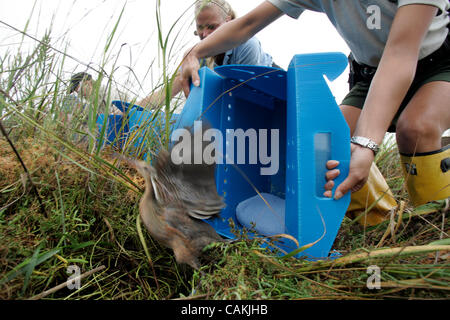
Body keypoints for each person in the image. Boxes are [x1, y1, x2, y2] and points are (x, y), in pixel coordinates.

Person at [180, 1, 450, 225]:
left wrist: (366, 143)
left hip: (437, 62)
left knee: (416, 128)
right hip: (371, 72)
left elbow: (401, 52)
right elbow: (249, 23)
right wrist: (195, 52)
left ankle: (435, 231)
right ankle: (383, 224)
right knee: (327, 143)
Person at [138, 0, 276, 109]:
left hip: (271, 95)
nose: (204, 35)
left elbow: (248, 98)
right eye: (200, 27)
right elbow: (167, 92)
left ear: (228, 22)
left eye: (212, 27)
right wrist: (132, 109)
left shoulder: (247, 45)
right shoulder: (197, 56)